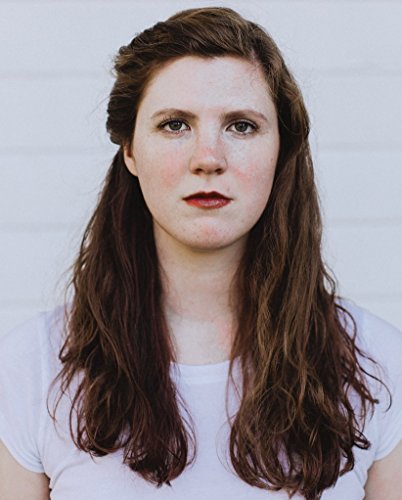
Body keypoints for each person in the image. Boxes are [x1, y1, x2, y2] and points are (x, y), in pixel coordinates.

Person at [0, 6, 401, 500]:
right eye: (174, 125)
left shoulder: (380, 366)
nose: (208, 158)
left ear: (280, 150)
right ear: (130, 151)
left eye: (242, 126)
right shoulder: (31, 367)